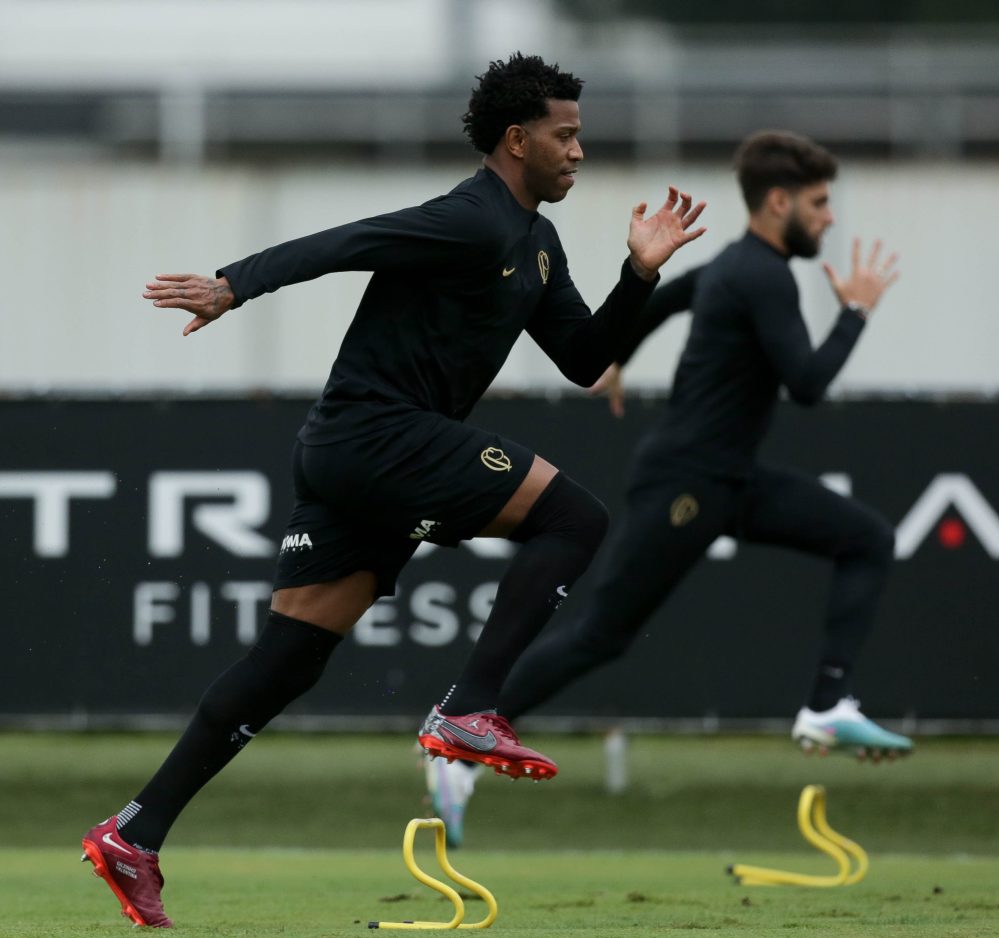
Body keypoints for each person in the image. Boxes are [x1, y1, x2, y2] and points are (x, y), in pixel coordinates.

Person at [78, 53, 706, 928]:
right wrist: (233, 284)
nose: (579, 152)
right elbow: (346, 242)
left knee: (290, 658)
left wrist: (639, 273)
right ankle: (470, 708)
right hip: (378, 437)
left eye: (579, 136)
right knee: (574, 515)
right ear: (517, 140)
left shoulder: (535, 243)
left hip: (354, 451)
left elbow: (587, 360)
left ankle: (134, 834)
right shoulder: (471, 219)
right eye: (566, 136)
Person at [427, 129, 911, 843]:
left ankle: (825, 707)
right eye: (818, 203)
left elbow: (671, 295)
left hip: (731, 480)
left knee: (868, 538)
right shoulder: (762, 274)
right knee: (600, 635)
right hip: (686, 483)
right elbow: (807, 384)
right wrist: (856, 311)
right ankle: (460, 739)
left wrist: (613, 357)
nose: (830, 218)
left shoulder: (734, 266)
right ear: (779, 202)